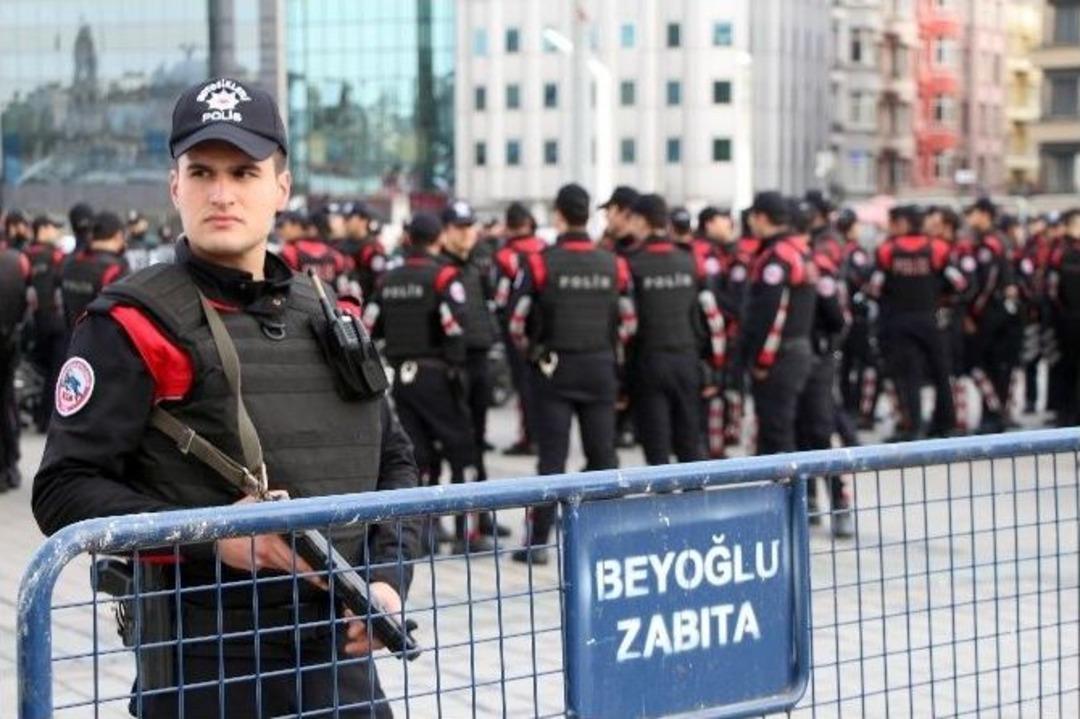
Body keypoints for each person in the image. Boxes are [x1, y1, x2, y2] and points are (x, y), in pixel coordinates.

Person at [33, 77, 418, 718]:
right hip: (203, 667)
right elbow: (63, 490)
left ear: (281, 188)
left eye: (244, 173)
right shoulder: (131, 324)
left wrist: (385, 581)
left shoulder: (333, 314)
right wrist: (213, 537)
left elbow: (395, 465)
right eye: (202, 172)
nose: (222, 193)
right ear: (175, 186)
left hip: (338, 667)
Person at [507, 183, 635, 564]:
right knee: (603, 454)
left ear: (558, 215)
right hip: (600, 368)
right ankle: (607, 537)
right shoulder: (614, 263)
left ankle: (537, 544)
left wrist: (532, 354)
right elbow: (629, 323)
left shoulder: (540, 263)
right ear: (588, 214)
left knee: (552, 460)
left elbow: (516, 322)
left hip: (554, 370)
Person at [363, 212, 491, 554]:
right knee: (462, 452)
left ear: (408, 239)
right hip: (439, 376)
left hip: (403, 380)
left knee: (418, 457)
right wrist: (456, 366)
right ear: (438, 239)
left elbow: (369, 325)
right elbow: (455, 326)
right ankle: (467, 534)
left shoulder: (387, 280)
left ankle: (424, 536)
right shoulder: (445, 277)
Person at [624, 194, 725, 465]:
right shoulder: (690, 260)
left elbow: (627, 325)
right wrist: (714, 366)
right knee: (689, 444)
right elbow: (712, 316)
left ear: (642, 221)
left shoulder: (631, 262)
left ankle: (662, 494)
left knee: (656, 449)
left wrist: (623, 374)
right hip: (687, 360)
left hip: (649, 363)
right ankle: (694, 492)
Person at [440, 199, 508, 538]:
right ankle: (449, 522)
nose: (466, 234)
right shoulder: (439, 268)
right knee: (454, 445)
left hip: (479, 359)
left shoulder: (478, 264)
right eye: (459, 228)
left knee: (478, 441)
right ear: (445, 231)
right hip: (451, 364)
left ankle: (480, 517)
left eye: (469, 227)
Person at [870, 206, 966, 440]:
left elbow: (874, 287)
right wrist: (943, 297)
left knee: (909, 376)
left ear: (903, 223)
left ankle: (913, 428)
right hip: (931, 318)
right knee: (941, 372)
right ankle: (946, 424)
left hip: (900, 321)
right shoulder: (938, 248)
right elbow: (960, 283)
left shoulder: (886, 250)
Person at [740, 192, 817, 455]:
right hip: (798, 351)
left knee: (776, 433)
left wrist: (762, 360)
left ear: (761, 218)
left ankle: (789, 483)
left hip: (780, 357)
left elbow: (773, 313)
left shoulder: (778, 256)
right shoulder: (800, 250)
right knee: (786, 430)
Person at [492, 202, 546, 456]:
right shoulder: (545, 248)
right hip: (546, 327)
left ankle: (530, 437)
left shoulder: (505, 256)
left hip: (518, 327)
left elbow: (501, 297)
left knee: (524, 385)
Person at [964, 198, 1020, 433]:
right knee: (996, 366)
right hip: (999, 311)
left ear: (984, 214)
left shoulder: (989, 244)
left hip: (990, 313)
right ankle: (996, 413)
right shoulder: (998, 240)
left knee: (983, 365)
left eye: (973, 213)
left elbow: (986, 283)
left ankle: (994, 413)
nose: (970, 219)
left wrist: (972, 313)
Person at [23, 214, 68, 433]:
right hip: (53, 323)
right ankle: (46, 419)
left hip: (29, 323)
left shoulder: (25, 254)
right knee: (56, 373)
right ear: (42, 229)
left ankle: (39, 414)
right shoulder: (55, 256)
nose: (57, 231)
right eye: (53, 227)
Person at [60, 211, 130, 330]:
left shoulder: (69, 263)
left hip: (72, 336)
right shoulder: (117, 269)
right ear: (118, 236)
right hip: (101, 338)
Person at [0, 245, 30, 490]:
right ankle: (8, 467)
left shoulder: (16, 261)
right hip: (8, 345)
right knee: (6, 404)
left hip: (7, 345)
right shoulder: (17, 260)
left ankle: (8, 467)